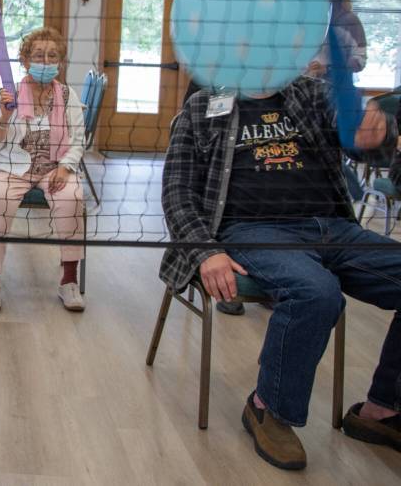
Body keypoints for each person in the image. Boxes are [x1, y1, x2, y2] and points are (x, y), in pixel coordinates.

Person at [162, 74, 401, 470]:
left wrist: (376, 136)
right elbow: (177, 191)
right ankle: (268, 408)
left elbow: (368, 154)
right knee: (317, 294)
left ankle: (380, 411)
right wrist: (206, 251)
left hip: (333, 228)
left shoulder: (314, 95)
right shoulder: (204, 105)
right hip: (253, 230)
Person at [0, 27, 86, 312]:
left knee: (73, 198)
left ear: (60, 62)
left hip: (55, 168)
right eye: (39, 55)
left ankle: (69, 280)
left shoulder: (67, 94)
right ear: (25, 60)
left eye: (53, 56)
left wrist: (66, 168)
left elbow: (78, 139)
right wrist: (4, 116)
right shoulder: (8, 95)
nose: (46, 61)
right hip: (13, 166)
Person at [305, 0, 368, 78]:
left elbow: (360, 60)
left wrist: (328, 68)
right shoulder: (311, 19)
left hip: (337, 86)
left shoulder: (351, 20)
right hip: (308, 85)